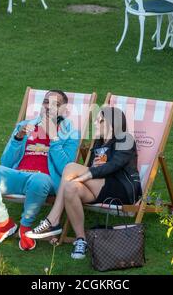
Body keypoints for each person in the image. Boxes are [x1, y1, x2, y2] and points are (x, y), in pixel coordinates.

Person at [26, 106, 142, 259]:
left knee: (70, 168)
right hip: (98, 187)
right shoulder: (99, 142)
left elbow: (114, 166)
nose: (94, 123)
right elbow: (95, 167)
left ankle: (53, 220)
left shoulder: (125, 139)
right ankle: (81, 240)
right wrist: (85, 176)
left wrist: (85, 175)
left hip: (121, 189)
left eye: (98, 120)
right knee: (70, 187)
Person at [0, 90, 80, 251]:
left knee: (39, 179)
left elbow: (66, 168)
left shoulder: (70, 133)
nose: (49, 107)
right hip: (18, 175)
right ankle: (4, 223)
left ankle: (25, 226)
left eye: (56, 104)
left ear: (64, 110)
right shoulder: (24, 126)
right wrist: (18, 137)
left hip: (45, 180)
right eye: (46, 102)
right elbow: (6, 163)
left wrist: (54, 138)